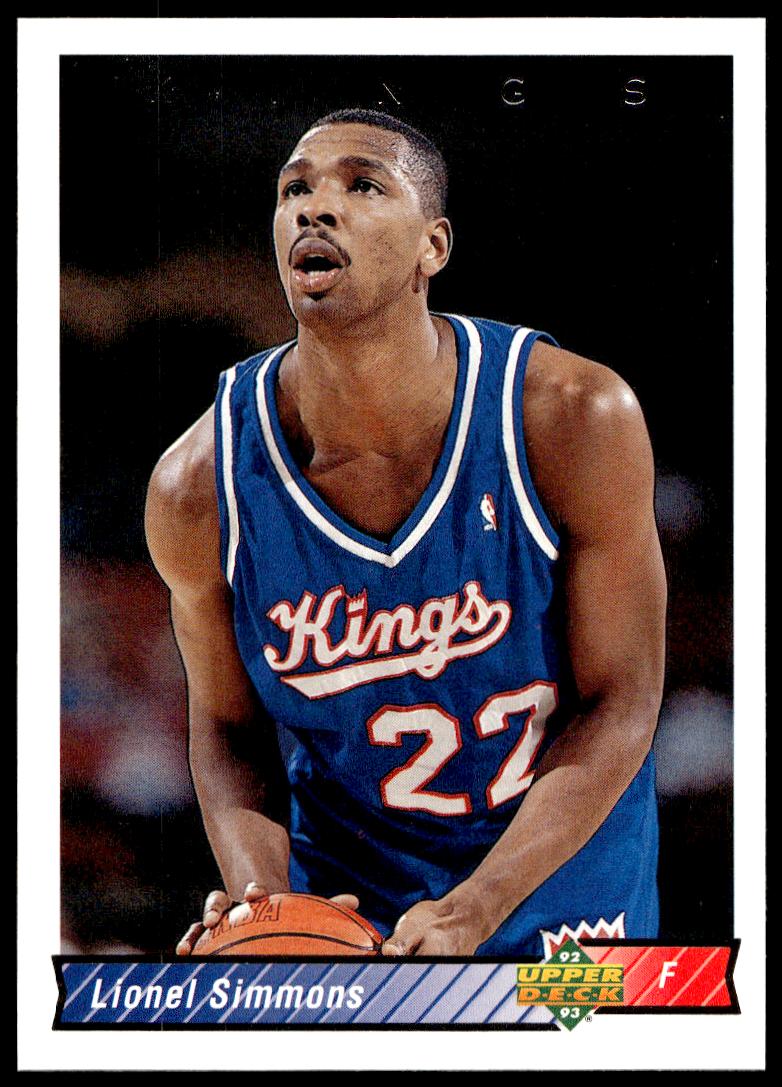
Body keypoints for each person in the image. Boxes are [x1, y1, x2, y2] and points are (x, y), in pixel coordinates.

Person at [145, 108, 667, 958]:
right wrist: (262, 905)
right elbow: (228, 730)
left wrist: (475, 907)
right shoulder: (196, 486)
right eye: (294, 189)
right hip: (350, 904)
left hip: (566, 908)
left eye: (362, 185)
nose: (315, 206)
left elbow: (624, 698)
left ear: (434, 246)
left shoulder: (572, 416)